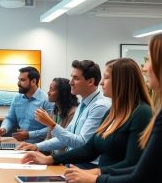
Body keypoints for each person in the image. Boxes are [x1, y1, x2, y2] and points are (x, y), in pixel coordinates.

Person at [64, 34, 162, 183]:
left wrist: (96, 177)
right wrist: (51, 158)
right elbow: (91, 148)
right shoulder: (112, 111)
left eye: (149, 59)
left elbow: (139, 174)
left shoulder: (142, 113)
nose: (144, 68)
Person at [22, 58, 152, 172]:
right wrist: (46, 155)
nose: (101, 83)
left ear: (122, 81)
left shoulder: (105, 107)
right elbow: (89, 148)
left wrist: (94, 175)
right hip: (89, 168)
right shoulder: (107, 110)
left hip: (93, 170)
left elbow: (83, 144)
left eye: (106, 78)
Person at [18, 61, 111, 167]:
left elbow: (82, 144)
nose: (71, 82)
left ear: (90, 82)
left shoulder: (100, 106)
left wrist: (52, 125)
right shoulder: (84, 104)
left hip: (87, 166)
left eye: (76, 78)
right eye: (72, 77)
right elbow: (65, 138)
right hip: (75, 162)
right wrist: (37, 146)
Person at [0, 66, 54, 143]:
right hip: (21, 144)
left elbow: (52, 127)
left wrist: (29, 134)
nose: (18, 83)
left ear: (33, 81)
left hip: (41, 147)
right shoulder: (17, 98)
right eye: (18, 80)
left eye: (22, 80)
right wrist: (3, 129)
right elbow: (10, 118)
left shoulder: (47, 100)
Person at [39, 78, 79, 154]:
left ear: (62, 93)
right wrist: (36, 149)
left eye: (52, 89)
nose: (48, 93)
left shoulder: (73, 112)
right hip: (54, 156)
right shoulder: (55, 111)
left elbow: (66, 141)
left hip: (65, 159)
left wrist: (37, 147)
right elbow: (48, 137)